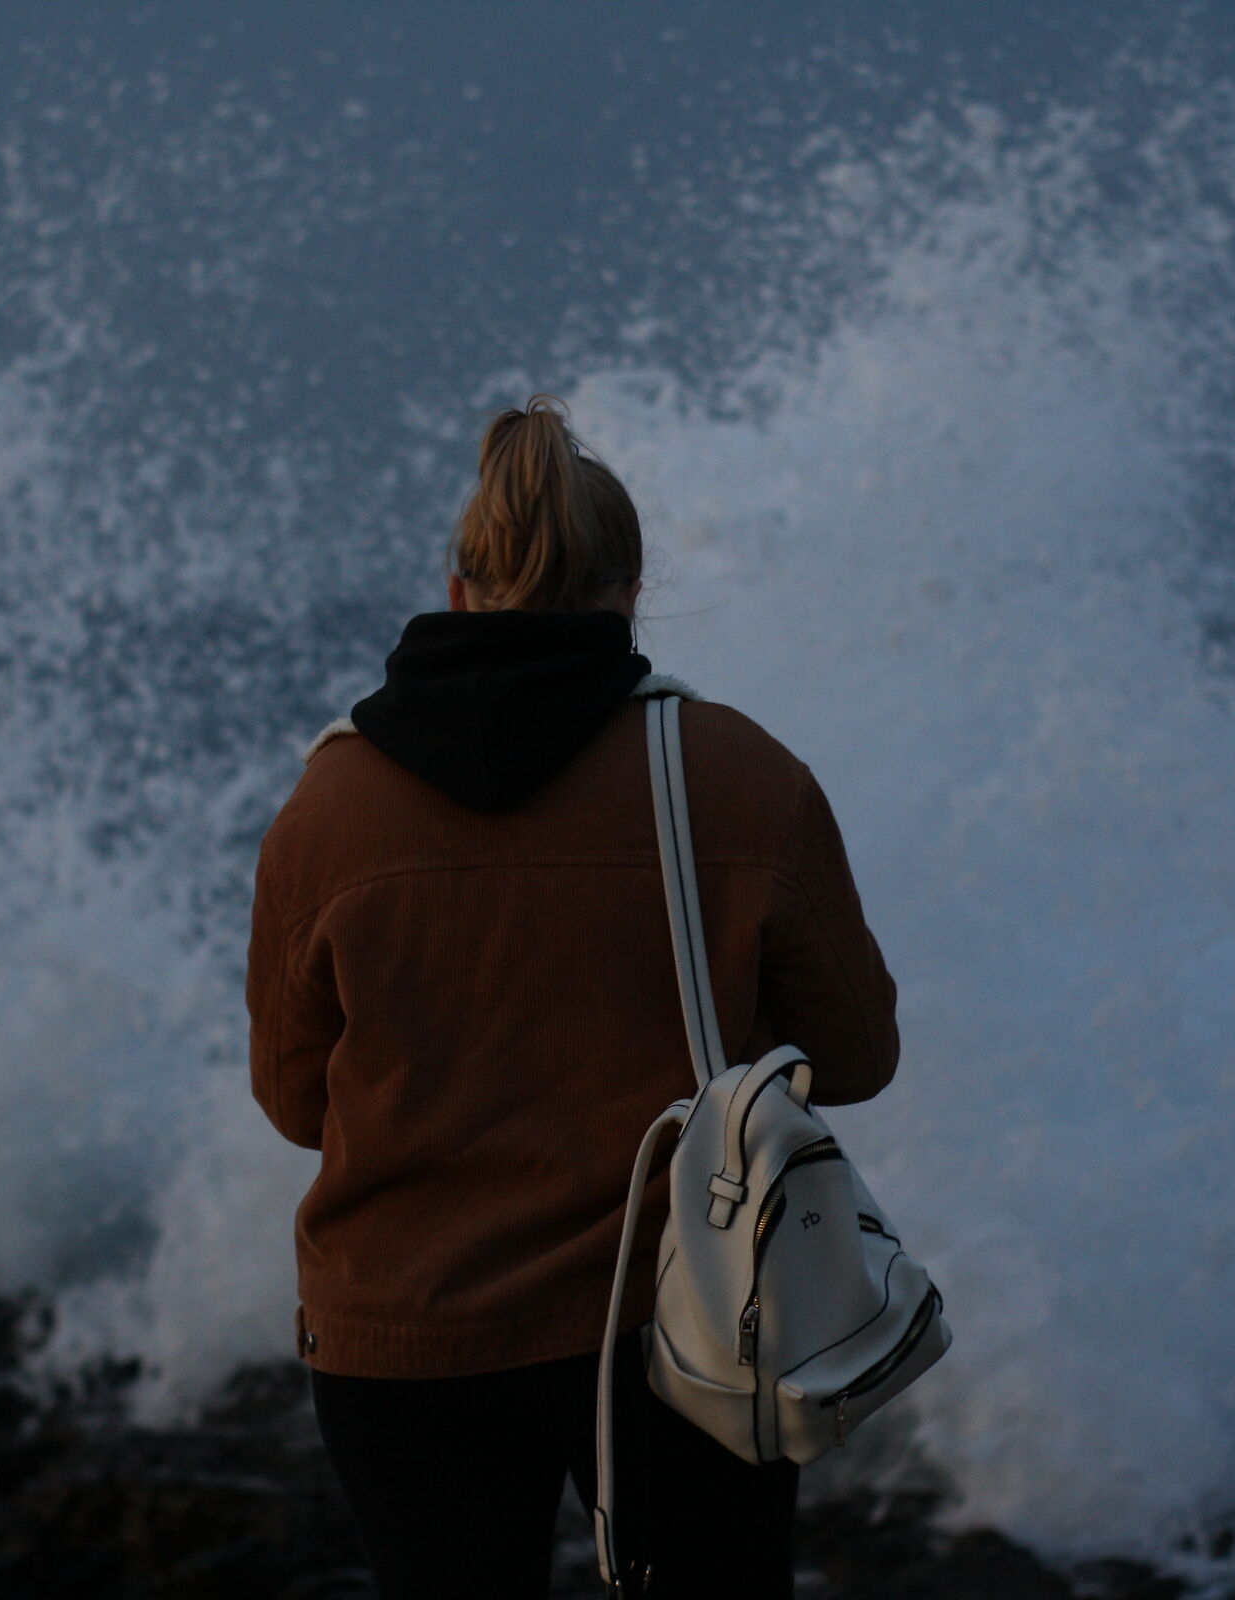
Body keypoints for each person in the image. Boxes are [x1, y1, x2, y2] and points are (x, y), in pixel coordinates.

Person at [246, 395, 900, 1598]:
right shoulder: (743, 777)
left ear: (457, 594)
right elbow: (855, 1059)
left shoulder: (326, 812)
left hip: (405, 1330)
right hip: (682, 1325)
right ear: (629, 595)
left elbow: (297, 1103)